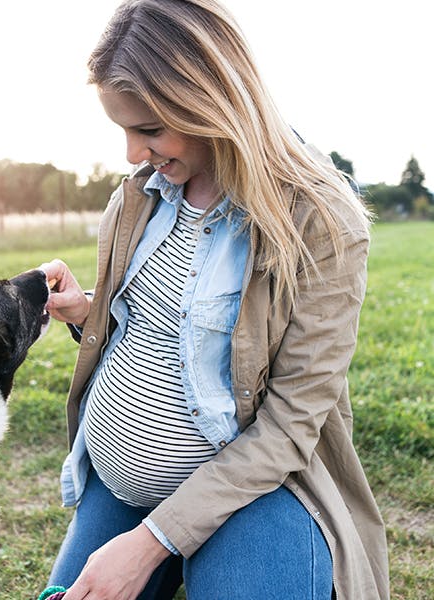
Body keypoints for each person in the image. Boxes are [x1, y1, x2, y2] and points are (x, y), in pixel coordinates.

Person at [39, 1, 389, 598]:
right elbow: (170, 320)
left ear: (213, 99)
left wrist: (150, 543)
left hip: (251, 493)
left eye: (149, 129)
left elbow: (290, 424)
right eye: (123, 130)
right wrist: (89, 309)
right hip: (117, 485)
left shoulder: (321, 221)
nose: (131, 153)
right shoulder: (140, 194)